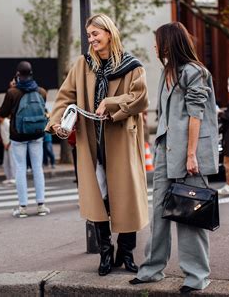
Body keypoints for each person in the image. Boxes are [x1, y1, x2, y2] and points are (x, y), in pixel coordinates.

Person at [46, 14, 149, 276]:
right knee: (98, 198)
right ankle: (105, 253)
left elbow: (139, 98)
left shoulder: (132, 65)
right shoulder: (83, 65)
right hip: (92, 143)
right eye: (89, 35)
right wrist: (57, 122)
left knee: (125, 196)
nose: (91, 39)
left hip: (121, 140)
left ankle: (125, 253)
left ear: (109, 33)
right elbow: (65, 96)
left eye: (95, 34)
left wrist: (112, 103)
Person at [129, 22, 219, 294]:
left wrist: (191, 154)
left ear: (168, 43)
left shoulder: (196, 72)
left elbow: (196, 115)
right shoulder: (168, 71)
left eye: (158, 41)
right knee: (159, 213)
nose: (154, 46)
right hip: (167, 150)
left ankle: (196, 276)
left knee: (190, 214)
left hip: (189, 152)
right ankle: (152, 269)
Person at [0, 61, 50, 218]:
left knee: (20, 168)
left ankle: (22, 207)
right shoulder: (41, 92)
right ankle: (41, 205)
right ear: (31, 73)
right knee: (37, 168)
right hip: (37, 134)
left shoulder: (12, 93)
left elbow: (3, 112)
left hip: (18, 135)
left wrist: (11, 88)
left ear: (17, 75)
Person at [0, 112, 15, 185]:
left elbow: (12, 134)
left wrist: (8, 144)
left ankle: (13, 177)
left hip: (10, 144)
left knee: (12, 161)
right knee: (6, 162)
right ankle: (8, 177)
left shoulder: (7, 123)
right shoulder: (1, 124)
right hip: (5, 144)